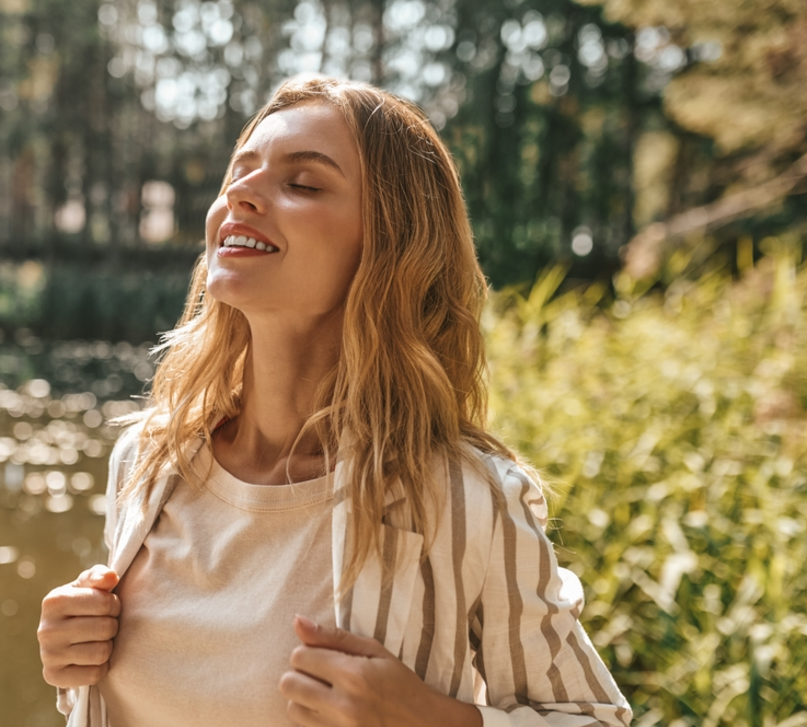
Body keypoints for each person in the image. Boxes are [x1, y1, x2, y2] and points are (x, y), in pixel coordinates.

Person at [37, 76, 632, 727]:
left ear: (391, 243)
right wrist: (76, 669)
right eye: (240, 171)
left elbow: (592, 717)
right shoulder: (147, 458)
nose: (239, 193)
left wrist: (433, 719)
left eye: (303, 183)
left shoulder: (464, 499)